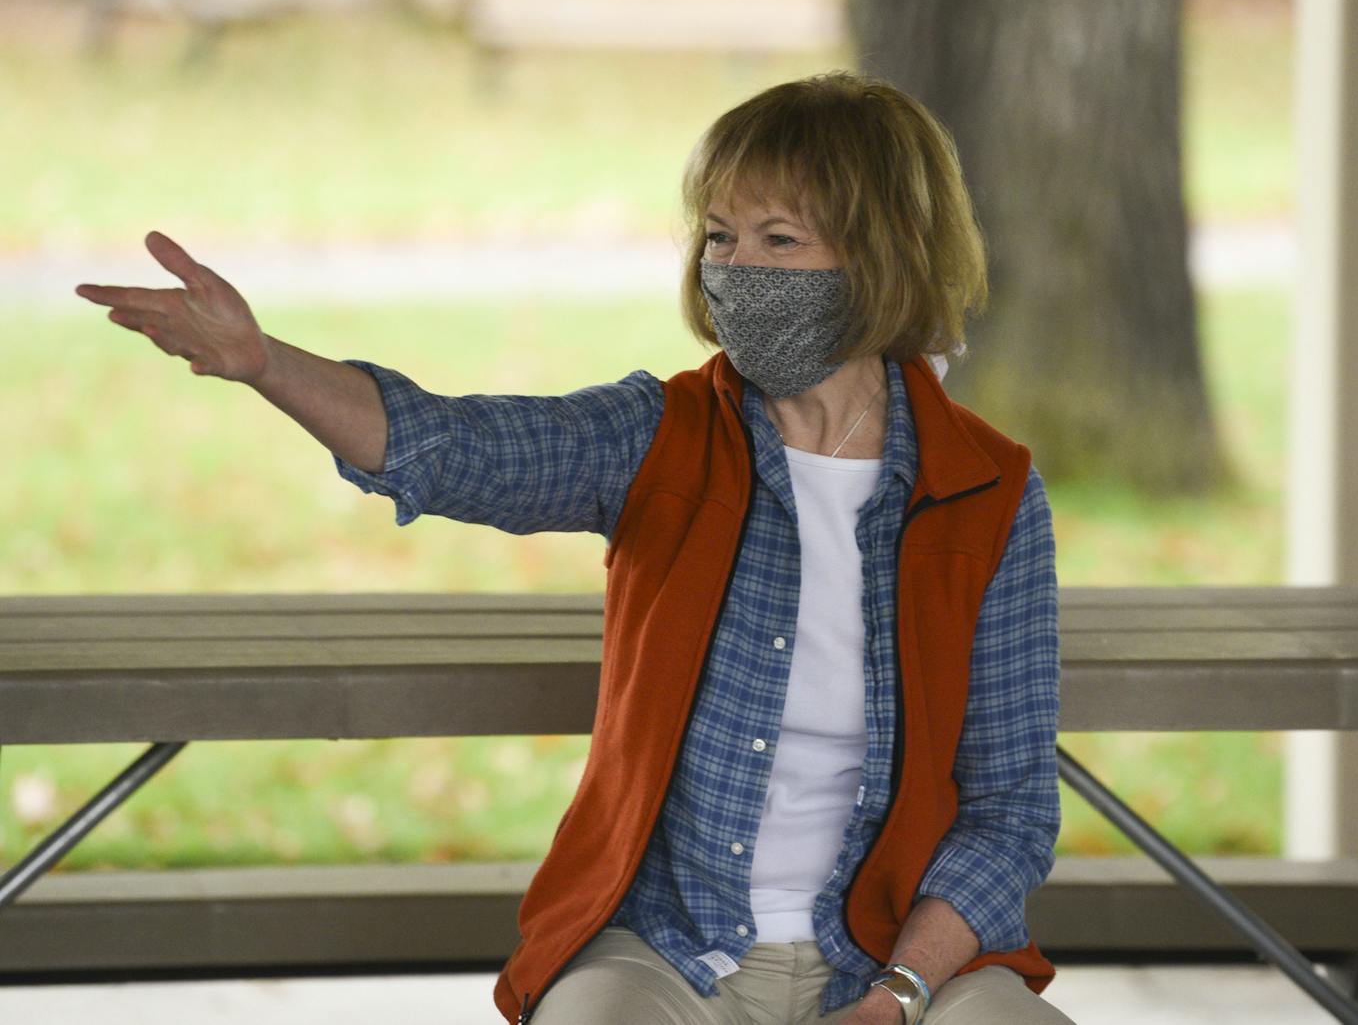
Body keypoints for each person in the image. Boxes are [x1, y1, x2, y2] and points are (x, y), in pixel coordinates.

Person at [74, 71, 1075, 1025]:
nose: (737, 269)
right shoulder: (662, 439)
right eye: (720, 237)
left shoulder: (984, 491)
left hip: (902, 962)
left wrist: (895, 996)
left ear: (886, 254)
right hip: (666, 949)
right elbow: (456, 446)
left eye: (780, 239)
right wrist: (262, 364)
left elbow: (1006, 813)